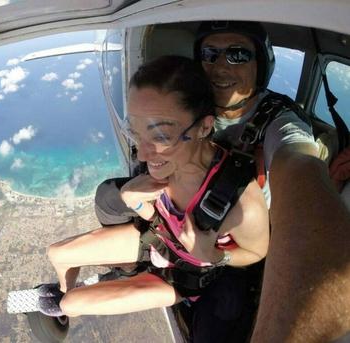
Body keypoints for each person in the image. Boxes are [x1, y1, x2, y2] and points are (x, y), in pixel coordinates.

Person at [93, 21, 320, 342]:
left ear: (261, 63)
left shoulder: (277, 119)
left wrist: (215, 255)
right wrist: (133, 191)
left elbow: (294, 153)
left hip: (229, 241)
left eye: (238, 55)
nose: (221, 65)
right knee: (106, 197)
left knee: (221, 317)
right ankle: (128, 267)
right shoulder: (187, 101)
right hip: (170, 213)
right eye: (210, 54)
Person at [37, 56, 269, 320]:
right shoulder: (168, 165)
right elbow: (164, 219)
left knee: (71, 304)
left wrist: (214, 256)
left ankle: (68, 306)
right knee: (57, 254)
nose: (144, 155)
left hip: (184, 276)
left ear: (204, 127)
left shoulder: (240, 204)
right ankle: (69, 292)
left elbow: (257, 252)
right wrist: (133, 201)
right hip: (159, 241)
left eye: (160, 136)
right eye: (135, 132)